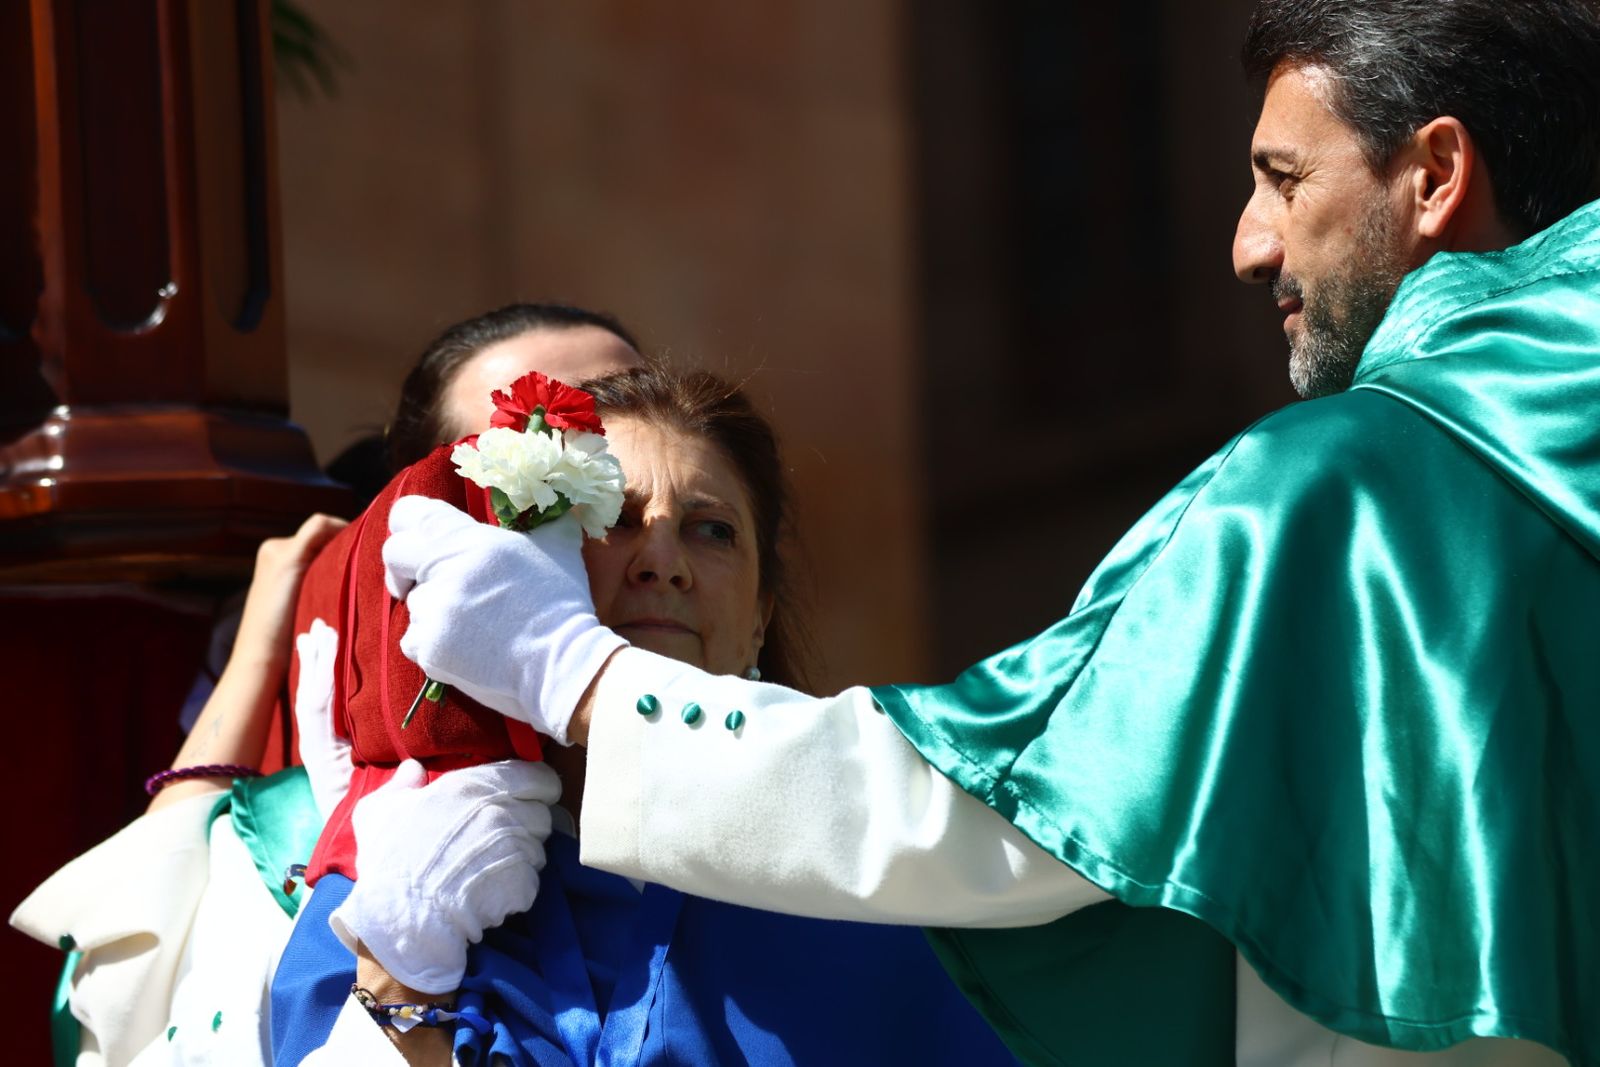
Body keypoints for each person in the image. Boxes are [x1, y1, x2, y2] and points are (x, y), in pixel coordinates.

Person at [380, 2, 1600, 1064]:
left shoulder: (1351, 487)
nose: (1248, 241)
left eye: (1285, 178)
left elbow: (1002, 816)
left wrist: (571, 666)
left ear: (1433, 175)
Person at [296, 365, 1018, 1066]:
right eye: (612, 515)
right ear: (524, 563)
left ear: (760, 618)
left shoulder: (882, 890)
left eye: (713, 531)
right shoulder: (392, 871)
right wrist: (403, 975)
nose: (664, 560)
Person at [10, 302, 645, 1066]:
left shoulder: (798, 801)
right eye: (538, 456)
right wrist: (403, 972)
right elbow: (112, 1005)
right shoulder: (295, 842)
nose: (623, 485)